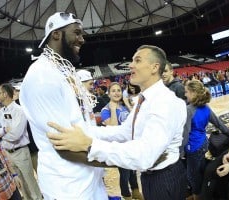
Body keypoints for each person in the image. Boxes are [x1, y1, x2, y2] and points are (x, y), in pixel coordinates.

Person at [47, 45, 188, 200]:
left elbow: (144, 155)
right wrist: (84, 131)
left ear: (155, 67)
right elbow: (125, 132)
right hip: (151, 176)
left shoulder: (165, 102)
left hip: (164, 178)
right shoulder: (146, 99)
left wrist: (89, 144)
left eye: (137, 60)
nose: (131, 65)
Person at [19, 12, 108, 199]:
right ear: (56, 34)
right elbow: (66, 146)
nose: (82, 39)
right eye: (77, 33)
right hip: (68, 186)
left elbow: (83, 127)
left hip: (88, 177)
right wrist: (122, 159)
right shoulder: (42, 76)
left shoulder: (62, 70)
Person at [183, 80, 229, 200]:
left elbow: (185, 133)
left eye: (187, 92)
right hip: (204, 143)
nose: (185, 95)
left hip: (193, 147)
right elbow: (219, 123)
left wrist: (180, 152)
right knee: (202, 171)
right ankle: (205, 192)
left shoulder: (189, 109)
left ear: (194, 93)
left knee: (193, 176)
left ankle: (198, 196)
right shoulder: (206, 107)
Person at [0, 84, 42, 200]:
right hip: (7, 153)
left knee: (30, 181)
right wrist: (4, 130)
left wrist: (1, 134)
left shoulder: (19, 110)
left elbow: (16, 135)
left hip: (20, 152)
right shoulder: (1, 112)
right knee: (20, 183)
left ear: (5, 94)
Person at [100, 82, 143, 200]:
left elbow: (134, 121)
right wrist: (113, 110)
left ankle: (135, 192)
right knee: (124, 174)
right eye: (113, 91)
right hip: (119, 147)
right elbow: (112, 130)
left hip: (129, 144)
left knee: (132, 171)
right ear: (108, 94)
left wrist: (129, 105)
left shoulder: (123, 106)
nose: (116, 93)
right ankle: (127, 196)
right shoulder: (106, 110)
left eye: (118, 90)